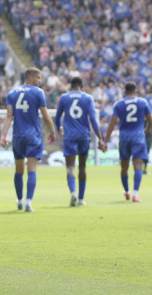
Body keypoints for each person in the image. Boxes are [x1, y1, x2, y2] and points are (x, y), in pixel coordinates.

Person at [0, 67, 57, 212]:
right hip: (33, 136)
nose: (40, 81)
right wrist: (52, 131)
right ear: (30, 78)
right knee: (32, 170)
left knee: (19, 170)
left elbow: (9, 116)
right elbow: (46, 115)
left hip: (18, 136)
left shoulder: (12, 93)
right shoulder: (38, 92)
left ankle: (19, 200)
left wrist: (3, 135)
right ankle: (29, 202)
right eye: (38, 78)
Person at [54, 76, 107, 207]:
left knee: (70, 167)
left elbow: (57, 117)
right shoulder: (88, 98)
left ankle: (73, 192)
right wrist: (100, 138)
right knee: (82, 167)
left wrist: (59, 127)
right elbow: (93, 119)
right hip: (84, 136)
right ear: (82, 86)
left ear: (71, 86)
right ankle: (81, 199)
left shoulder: (64, 97)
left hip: (69, 136)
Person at [104, 82, 152, 202]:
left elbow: (112, 123)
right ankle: (135, 195)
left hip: (124, 138)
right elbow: (151, 121)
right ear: (135, 92)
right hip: (138, 137)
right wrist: (145, 131)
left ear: (125, 92)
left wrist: (105, 140)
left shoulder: (118, 104)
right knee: (138, 166)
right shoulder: (143, 102)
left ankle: (126, 191)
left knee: (124, 168)